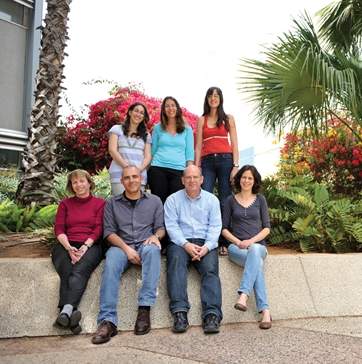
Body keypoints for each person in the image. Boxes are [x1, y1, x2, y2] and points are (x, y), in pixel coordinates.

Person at [92, 165, 165, 344]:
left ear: (141, 178)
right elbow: (109, 232)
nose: (131, 180)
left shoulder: (155, 201)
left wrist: (156, 237)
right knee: (111, 261)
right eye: (127, 178)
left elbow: (161, 228)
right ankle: (108, 321)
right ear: (122, 181)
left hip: (146, 242)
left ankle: (144, 310)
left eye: (135, 176)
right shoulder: (111, 203)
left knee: (153, 250)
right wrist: (127, 249)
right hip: (121, 245)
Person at [164, 165, 222, 334]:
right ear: (182, 180)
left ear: (202, 179)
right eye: (188, 177)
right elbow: (171, 226)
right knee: (175, 265)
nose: (192, 180)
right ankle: (180, 313)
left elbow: (215, 226)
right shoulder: (172, 200)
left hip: (205, 243)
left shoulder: (212, 200)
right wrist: (186, 244)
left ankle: (212, 315)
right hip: (180, 242)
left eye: (195, 177)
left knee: (210, 271)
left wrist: (207, 247)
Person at [52, 169, 105, 335]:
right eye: (75, 182)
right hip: (65, 244)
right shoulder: (65, 204)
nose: (78, 184)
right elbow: (59, 228)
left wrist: (85, 247)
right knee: (67, 271)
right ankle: (70, 316)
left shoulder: (100, 203)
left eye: (82, 181)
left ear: (89, 183)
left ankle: (65, 313)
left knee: (79, 272)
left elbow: (98, 228)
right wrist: (68, 247)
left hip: (91, 244)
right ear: (71, 186)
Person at [222, 165, 272, 329]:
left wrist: (251, 242)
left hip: (257, 246)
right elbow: (223, 229)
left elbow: (266, 228)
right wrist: (238, 242)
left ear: (254, 181)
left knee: (255, 251)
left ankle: (244, 294)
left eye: (250, 178)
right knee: (255, 264)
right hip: (236, 248)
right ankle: (265, 312)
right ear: (239, 179)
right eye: (244, 177)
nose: (246, 180)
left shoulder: (260, 200)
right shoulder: (230, 200)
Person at [195, 87, 239, 256]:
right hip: (207, 162)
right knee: (204, 199)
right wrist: (197, 166)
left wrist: (235, 166)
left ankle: (224, 241)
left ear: (220, 98)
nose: (213, 98)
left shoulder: (228, 118)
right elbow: (198, 145)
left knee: (224, 200)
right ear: (206, 99)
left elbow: (234, 143)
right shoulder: (202, 119)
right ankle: (205, 239)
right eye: (210, 96)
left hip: (225, 161)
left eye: (216, 95)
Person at [148, 96, 194, 204]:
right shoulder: (157, 128)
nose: (170, 108)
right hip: (158, 168)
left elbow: (189, 153)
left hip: (179, 170)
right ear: (163, 110)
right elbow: (152, 151)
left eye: (173, 105)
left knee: (175, 203)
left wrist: (189, 172)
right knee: (158, 203)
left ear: (177, 108)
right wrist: (146, 171)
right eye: (167, 106)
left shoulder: (187, 129)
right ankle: (158, 222)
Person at [108, 102, 152, 195]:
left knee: (138, 207)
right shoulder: (117, 129)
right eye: (136, 111)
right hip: (119, 174)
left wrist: (137, 170)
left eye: (141, 113)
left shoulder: (146, 135)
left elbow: (148, 157)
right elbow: (112, 150)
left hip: (139, 175)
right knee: (120, 205)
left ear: (144, 117)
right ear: (130, 112)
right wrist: (127, 167)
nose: (138, 114)